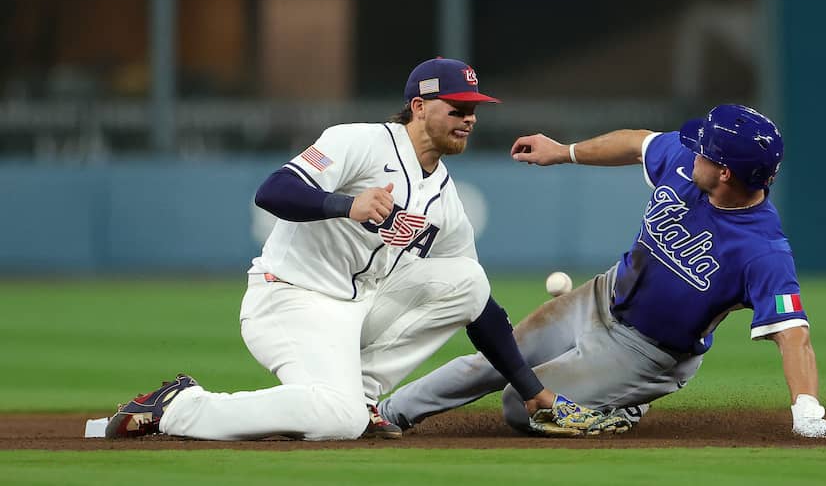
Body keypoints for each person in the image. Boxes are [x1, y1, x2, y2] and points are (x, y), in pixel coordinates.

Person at [103, 58, 614, 441]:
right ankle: (181, 407)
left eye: (475, 111)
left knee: (468, 282)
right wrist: (345, 205)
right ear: (419, 106)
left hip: (354, 310)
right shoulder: (360, 142)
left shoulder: (446, 198)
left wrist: (535, 395)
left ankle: (362, 398)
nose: (469, 119)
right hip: (290, 299)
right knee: (336, 420)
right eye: (458, 108)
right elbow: (273, 191)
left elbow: (478, 310)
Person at [380, 104, 826, 439]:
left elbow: (793, 333)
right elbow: (638, 143)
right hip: (601, 296)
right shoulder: (688, 164)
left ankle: (623, 407)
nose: (693, 150)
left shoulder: (763, 251)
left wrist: (807, 411)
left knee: (520, 408)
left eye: (705, 150)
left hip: (648, 353)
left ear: (727, 173)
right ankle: (384, 413)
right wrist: (563, 151)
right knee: (498, 363)